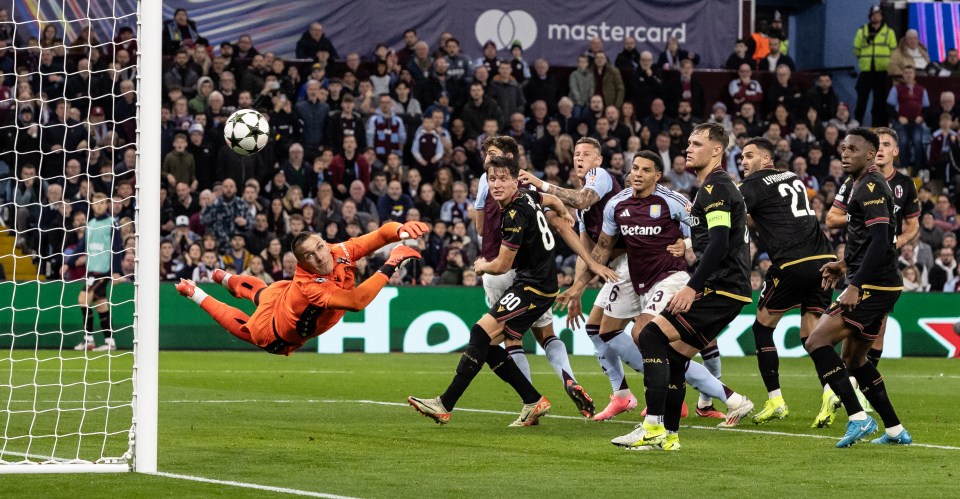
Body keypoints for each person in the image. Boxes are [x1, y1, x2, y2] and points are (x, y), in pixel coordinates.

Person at [408, 154, 603, 426]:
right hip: (539, 284)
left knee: (480, 333)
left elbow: (501, 265)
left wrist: (480, 266)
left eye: (502, 179)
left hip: (533, 288)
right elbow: (552, 199)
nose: (496, 185)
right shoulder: (526, 196)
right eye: (491, 179)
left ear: (515, 180)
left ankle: (445, 404)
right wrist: (562, 212)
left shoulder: (513, 214)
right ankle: (532, 400)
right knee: (486, 343)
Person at [627, 123, 755, 451]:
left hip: (720, 287)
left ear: (716, 151)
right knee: (672, 356)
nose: (688, 148)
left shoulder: (715, 187)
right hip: (728, 289)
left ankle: (653, 425)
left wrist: (692, 287)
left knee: (651, 335)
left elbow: (719, 243)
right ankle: (668, 437)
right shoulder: (713, 188)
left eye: (697, 144)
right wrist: (688, 243)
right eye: (688, 143)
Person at [472, 136, 617, 418]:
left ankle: (530, 402)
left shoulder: (485, 181)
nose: (490, 163)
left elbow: (480, 228)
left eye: (493, 155)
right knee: (546, 334)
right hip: (533, 273)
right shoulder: (525, 183)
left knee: (511, 339)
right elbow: (559, 218)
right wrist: (563, 215)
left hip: (498, 267)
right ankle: (568, 377)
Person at [804, 128, 912, 447]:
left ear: (870, 155)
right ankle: (894, 430)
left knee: (817, 341)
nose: (845, 153)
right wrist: (843, 265)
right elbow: (865, 240)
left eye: (853, 149)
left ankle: (858, 418)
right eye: (843, 148)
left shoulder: (872, 185)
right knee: (854, 360)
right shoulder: (858, 184)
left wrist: (855, 284)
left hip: (873, 287)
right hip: (878, 284)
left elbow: (881, 241)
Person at [177, 219, 429, 355]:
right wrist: (392, 262)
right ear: (301, 263)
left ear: (323, 241)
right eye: (310, 255)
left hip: (283, 294)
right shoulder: (312, 287)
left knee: (262, 292)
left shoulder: (338, 250)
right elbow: (356, 302)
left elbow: (381, 234)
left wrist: (401, 230)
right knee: (248, 329)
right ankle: (196, 293)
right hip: (275, 329)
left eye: (319, 246)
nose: (320, 256)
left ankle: (224, 277)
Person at [737, 137, 836, 425]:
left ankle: (776, 400)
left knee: (761, 328)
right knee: (812, 336)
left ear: (766, 159)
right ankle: (831, 391)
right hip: (823, 260)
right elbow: (771, 216)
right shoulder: (791, 177)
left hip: (792, 262)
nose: (743, 161)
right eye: (741, 157)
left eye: (749, 156)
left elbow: (731, 209)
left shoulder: (754, 183)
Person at [67, 193, 123, 351]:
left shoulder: (112, 223)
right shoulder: (90, 223)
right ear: (91, 205)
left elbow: (116, 248)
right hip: (91, 270)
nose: (99, 205)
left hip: (102, 271)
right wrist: (68, 263)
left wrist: (116, 271)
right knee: (101, 306)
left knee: (83, 299)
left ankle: (89, 339)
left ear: (107, 205)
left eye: (102, 203)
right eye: (96, 202)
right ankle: (109, 341)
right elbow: (82, 246)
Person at [853, 5, 897, 126]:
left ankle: (877, 127)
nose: (875, 16)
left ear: (882, 16)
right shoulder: (862, 31)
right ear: (870, 16)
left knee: (879, 102)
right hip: (866, 70)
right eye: (873, 14)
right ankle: (857, 125)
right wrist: (864, 59)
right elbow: (856, 50)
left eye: (878, 14)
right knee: (861, 100)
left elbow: (894, 52)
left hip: (882, 71)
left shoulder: (889, 32)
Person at [886, 65, 929, 173]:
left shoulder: (921, 89)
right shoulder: (896, 89)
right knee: (903, 142)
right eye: (906, 73)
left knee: (918, 141)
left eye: (910, 72)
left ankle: (919, 169)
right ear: (903, 75)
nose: (908, 75)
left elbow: (926, 107)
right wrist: (898, 117)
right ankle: (904, 167)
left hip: (916, 122)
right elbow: (889, 107)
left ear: (914, 74)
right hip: (902, 122)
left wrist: (921, 117)